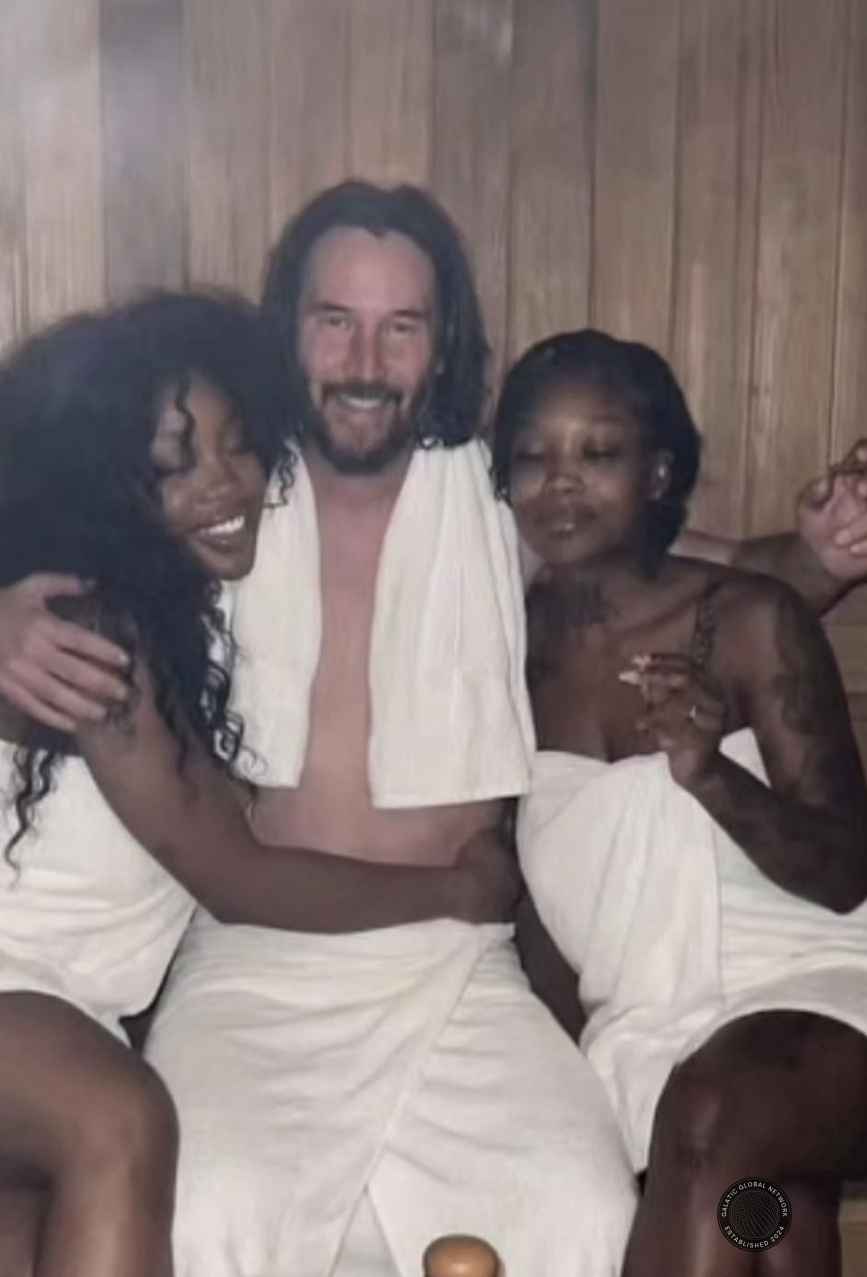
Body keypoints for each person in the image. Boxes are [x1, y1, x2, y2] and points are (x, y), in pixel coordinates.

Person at [0, 181, 865, 1277]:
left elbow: (702, 570)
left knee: (582, 1206)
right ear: (286, 329)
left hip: (461, 965)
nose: (366, 361)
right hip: (253, 966)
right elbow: (65, 504)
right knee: (206, 1208)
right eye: (335, 320)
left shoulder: (501, 500)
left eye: (401, 326)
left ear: (442, 341)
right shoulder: (222, 496)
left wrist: (820, 558)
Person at [0, 290, 518, 1277]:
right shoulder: (91, 628)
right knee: (117, 1120)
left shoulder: (184, 609)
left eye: (239, 446)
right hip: (17, 989)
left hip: (60, 1014)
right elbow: (234, 873)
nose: (224, 481)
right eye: (177, 462)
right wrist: (456, 888)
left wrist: (775, 558)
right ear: (103, 484)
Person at [498, 329, 867, 1277]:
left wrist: (711, 775)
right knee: (768, 1221)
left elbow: (845, 875)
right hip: (648, 1031)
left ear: (658, 473)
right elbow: (535, 905)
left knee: (709, 1118)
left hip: (820, 991)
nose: (560, 483)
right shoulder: (499, 651)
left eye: (598, 452)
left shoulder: (747, 621)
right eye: (532, 457)